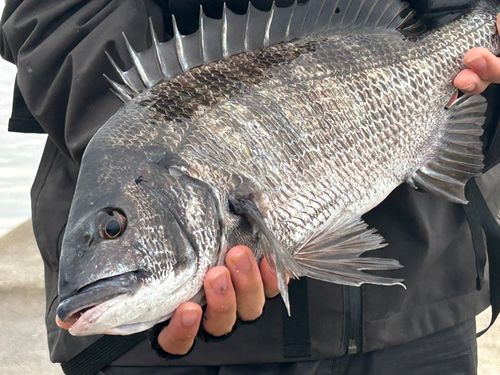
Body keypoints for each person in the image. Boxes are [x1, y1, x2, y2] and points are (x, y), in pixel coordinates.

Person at [1, 0, 500, 374]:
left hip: (426, 298)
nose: (114, 231)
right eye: (116, 227)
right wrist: (135, 139)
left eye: (114, 228)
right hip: (163, 352)